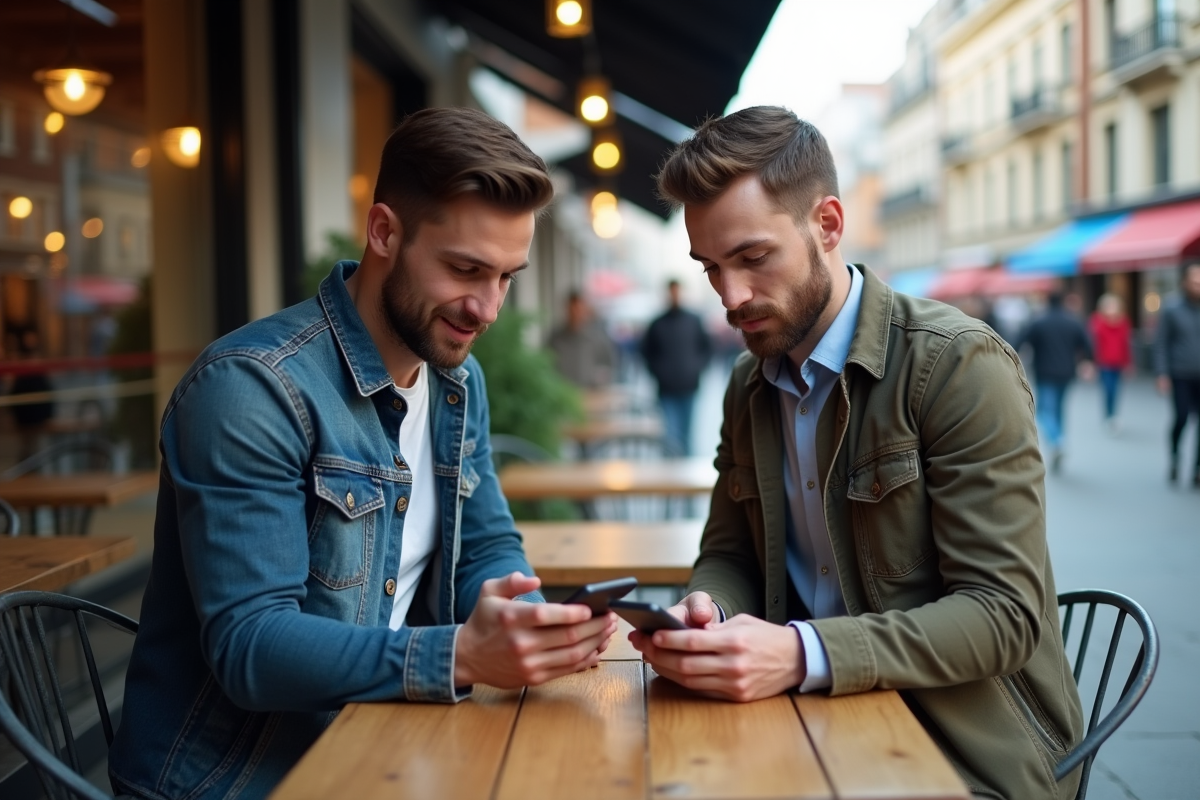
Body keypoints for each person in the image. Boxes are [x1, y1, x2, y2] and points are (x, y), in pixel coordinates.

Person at [109, 108, 617, 800]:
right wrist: (461, 654)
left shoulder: (455, 382)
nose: (488, 308)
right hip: (242, 780)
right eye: (465, 269)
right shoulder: (251, 390)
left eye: (507, 277)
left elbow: (487, 543)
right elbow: (251, 648)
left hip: (385, 744)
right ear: (384, 232)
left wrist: (513, 606)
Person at [630, 107, 1083, 800]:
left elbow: (1004, 615)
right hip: (806, 720)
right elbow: (728, 555)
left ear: (829, 225)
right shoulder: (748, 383)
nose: (730, 296)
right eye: (710, 267)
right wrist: (708, 612)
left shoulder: (957, 366)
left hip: (962, 749)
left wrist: (799, 652)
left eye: (752, 258)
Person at [1013, 293, 1095, 472]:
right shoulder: (1072, 321)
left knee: (1043, 411)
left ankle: (1057, 440)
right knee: (1058, 409)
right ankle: (1059, 441)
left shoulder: (1039, 321)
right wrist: (1088, 361)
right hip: (1067, 372)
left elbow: (1019, 341)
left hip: (1045, 372)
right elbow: (1087, 343)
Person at [641, 279, 712, 455]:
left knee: (687, 433)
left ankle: (685, 474)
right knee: (670, 434)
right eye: (671, 292)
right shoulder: (657, 323)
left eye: (677, 292)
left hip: (689, 386)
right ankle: (670, 471)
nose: (674, 295)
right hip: (666, 388)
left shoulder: (694, 320)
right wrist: (657, 371)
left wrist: (697, 367)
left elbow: (708, 348)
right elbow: (646, 352)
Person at [1155, 263, 1200, 486]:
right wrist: (1162, 373)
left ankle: (1197, 468)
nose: (1197, 286)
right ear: (1184, 282)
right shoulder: (1172, 309)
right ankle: (1175, 455)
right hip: (1180, 373)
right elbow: (1162, 343)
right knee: (1181, 418)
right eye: (1194, 282)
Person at [547, 290, 617, 388]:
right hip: (563, 395)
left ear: (585, 311)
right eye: (572, 311)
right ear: (566, 310)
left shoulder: (598, 338)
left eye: (579, 311)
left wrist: (600, 379)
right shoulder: (555, 338)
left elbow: (610, 365)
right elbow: (547, 366)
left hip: (592, 394)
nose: (576, 315)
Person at [1089, 293, 1133, 433]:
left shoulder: (1124, 322)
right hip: (1103, 362)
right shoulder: (1097, 322)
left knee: (1116, 390)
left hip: (1118, 362)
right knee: (1108, 389)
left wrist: (1128, 363)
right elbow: (1093, 344)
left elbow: (1126, 344)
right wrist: (1091, 363)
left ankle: (1113, 415)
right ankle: (1109, 416)